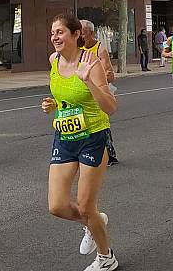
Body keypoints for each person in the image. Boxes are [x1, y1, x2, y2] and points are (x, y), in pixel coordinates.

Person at [42, 14, 118, 271]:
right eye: (53, 32)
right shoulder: (53, 61)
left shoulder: (91, 63)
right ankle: (93, 221)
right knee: (57, 206)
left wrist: (88, 81)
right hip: (64, 137)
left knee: (86, 206)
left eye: (60, 32)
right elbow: (64, 97)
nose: (55, 37)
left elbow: (110, 107)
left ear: (76, 35)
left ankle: (106, 257)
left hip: (92, 137)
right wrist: (53, 104)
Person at [80, 20, 118, 167]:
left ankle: (110, 153)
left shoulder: (100, 49)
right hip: (83, 91)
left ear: (91, 33)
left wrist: (95, 78)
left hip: (100, 90)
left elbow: (110, 75)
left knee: (102, 120)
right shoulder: (77, 49)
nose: (81, 38)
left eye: (83, 34)